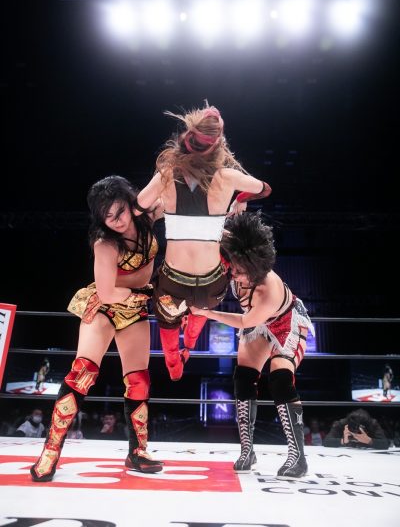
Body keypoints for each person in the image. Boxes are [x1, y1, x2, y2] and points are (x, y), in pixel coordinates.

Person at [30, 176, 163, 482]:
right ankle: (50, 452)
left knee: (139, 380)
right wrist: (146, 294)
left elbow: (167, 185)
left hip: (135, 308)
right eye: (108, 216)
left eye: (120, 211)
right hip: (105, 305)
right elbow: (106, 292)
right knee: (83, 373)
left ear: (130, 203)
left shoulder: (146, 217)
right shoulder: (105, 243)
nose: (116, 220)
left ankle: (138, 451)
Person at [134, 103, 272, 380]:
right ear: (218, 145)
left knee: (169, 325)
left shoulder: (166, 175)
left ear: (186, 141)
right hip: (211, 285)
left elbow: (139, 207)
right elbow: (264, 189)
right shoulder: (228, 177)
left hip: (173, 283)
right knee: (201, 311)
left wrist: (163, 203)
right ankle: (190, 346)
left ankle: (174, 365)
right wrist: (239, 199)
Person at [191, 212, 314, 478]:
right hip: (258, 321)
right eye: (233, 266)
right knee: (244, 377)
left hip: (286, 321)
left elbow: (245, 320)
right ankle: (247, 450)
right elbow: (222, 236)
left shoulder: (267, 289)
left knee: (280, 379)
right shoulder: (235, 262)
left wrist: (208, 313)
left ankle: (298, 457)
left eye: (240, 270)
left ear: (255, 267)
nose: (234, 274)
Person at [323, 408, 389, 449]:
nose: (356, 433)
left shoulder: (372, 424)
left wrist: (369, 441)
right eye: (354, 429)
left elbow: (385, 444)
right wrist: (343, 440)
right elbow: (326, 441)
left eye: (358, 430)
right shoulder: (341, 424)